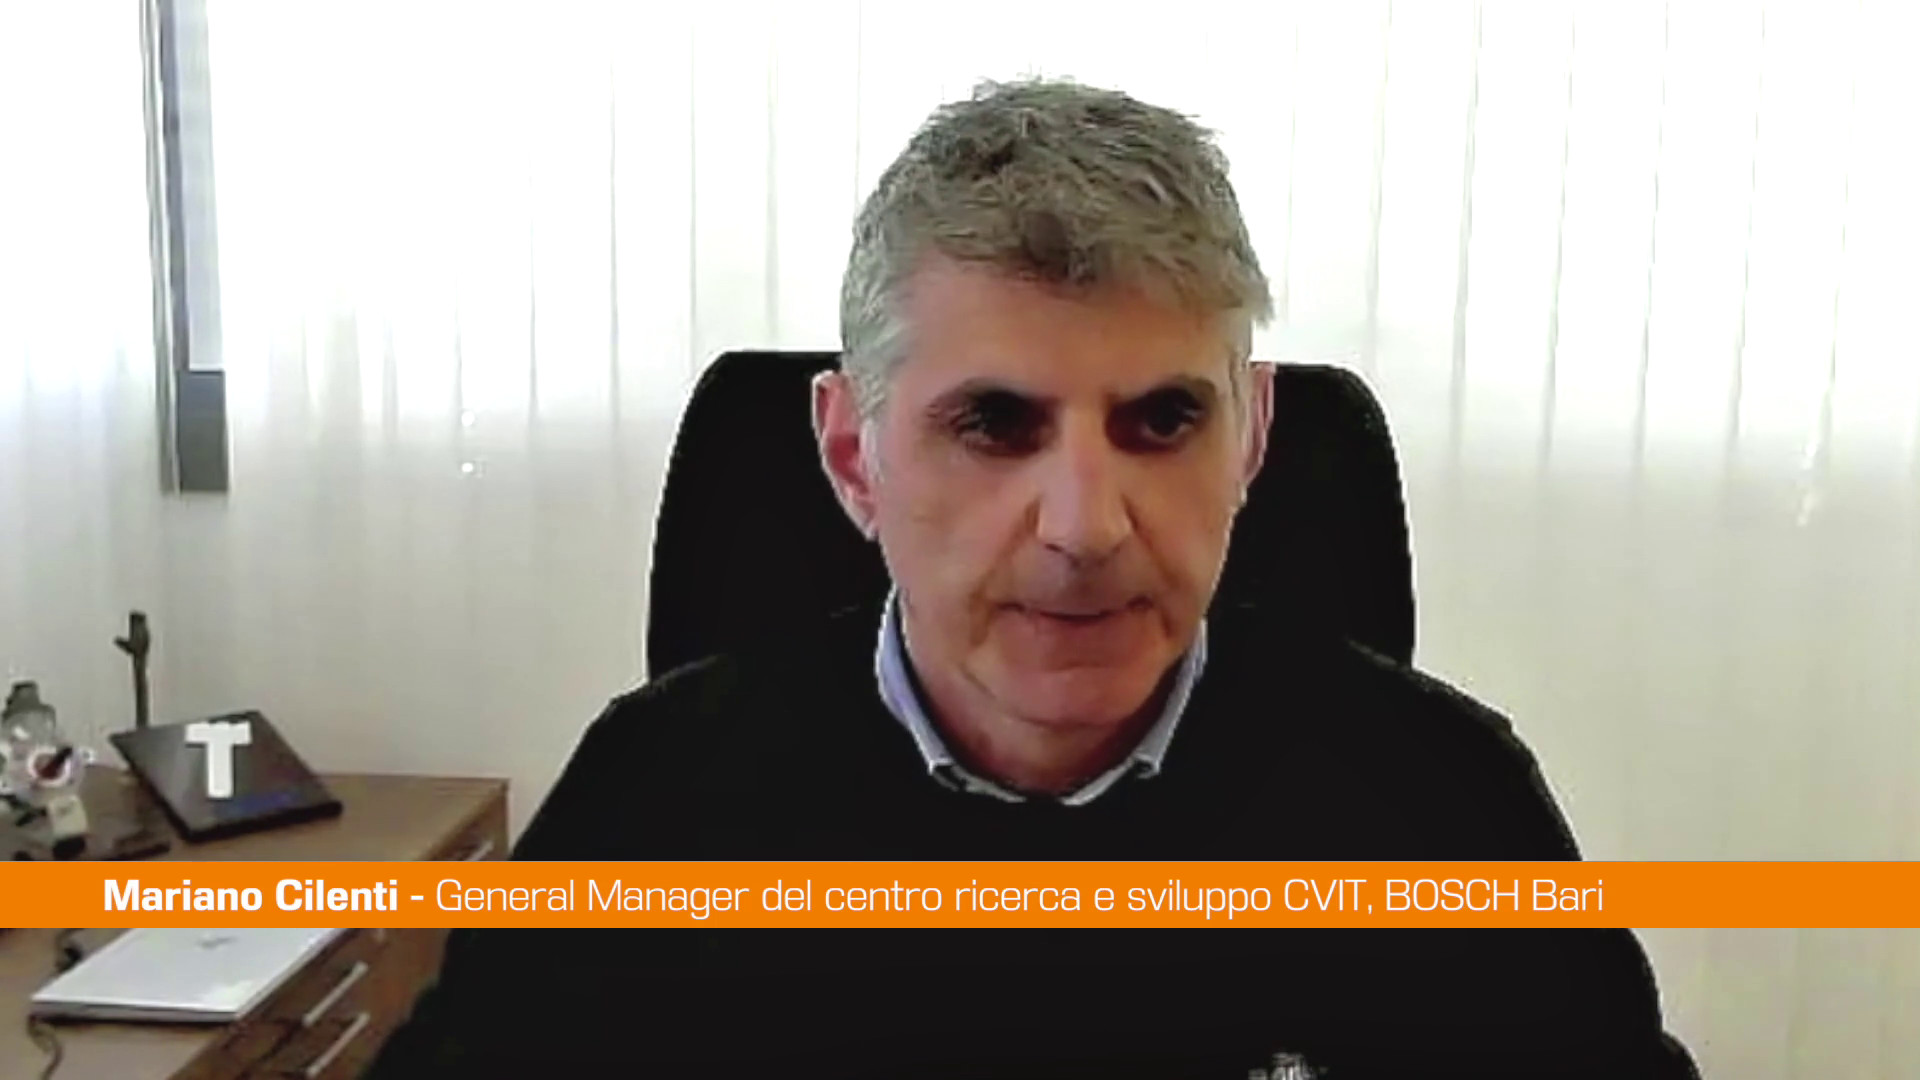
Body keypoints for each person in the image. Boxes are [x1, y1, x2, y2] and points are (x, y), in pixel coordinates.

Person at [365, 79, 1697, 1078]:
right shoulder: (656, 803)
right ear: (853, 457)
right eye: (995, 425)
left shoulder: (1441, 805)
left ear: (1252, 441)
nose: (1084, 527)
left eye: (1162, 421)